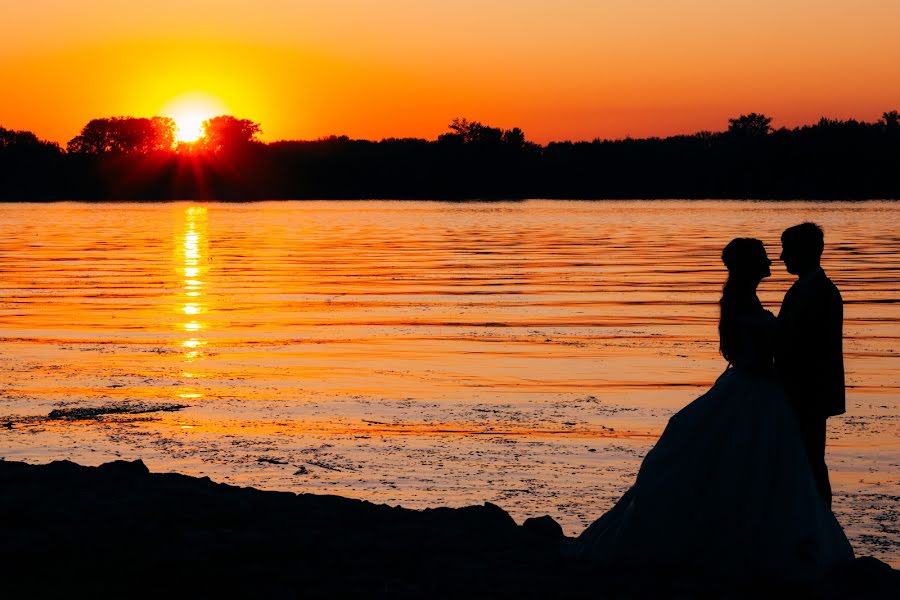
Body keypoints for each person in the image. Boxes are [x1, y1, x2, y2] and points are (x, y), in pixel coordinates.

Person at [572, 238, 853, 578]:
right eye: (765, 256)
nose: (772, 260)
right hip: (757, 388)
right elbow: (742, 349)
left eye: (775, 252)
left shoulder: (756, 296)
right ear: (750, 265)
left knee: (781, 464)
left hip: (772, 389)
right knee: (766, 464)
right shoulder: (742, 300)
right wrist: (767, 369)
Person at [776, 222, 844, 506]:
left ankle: (821, 525)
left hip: (809, 394)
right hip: (800, 393)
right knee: (802, 458)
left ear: (804, 252)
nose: (781, 257)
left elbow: (808, 349)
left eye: (787, 250)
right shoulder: (805, 289)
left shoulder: (821, 292)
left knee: (811, 458)